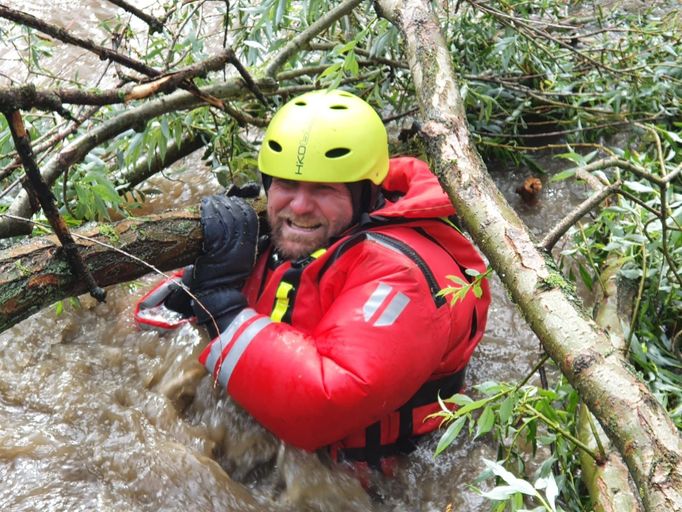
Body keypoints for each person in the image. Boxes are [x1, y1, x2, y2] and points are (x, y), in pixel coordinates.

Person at [135, 89, 490, 470]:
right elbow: (146, 320)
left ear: (366, 193)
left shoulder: (402, 277)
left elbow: (323, 405)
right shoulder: (294, 238)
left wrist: (220, 303)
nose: (299, 207)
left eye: (324, 188)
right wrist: (206, 272)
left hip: (370, 482)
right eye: (286, 184)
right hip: (273, 447)